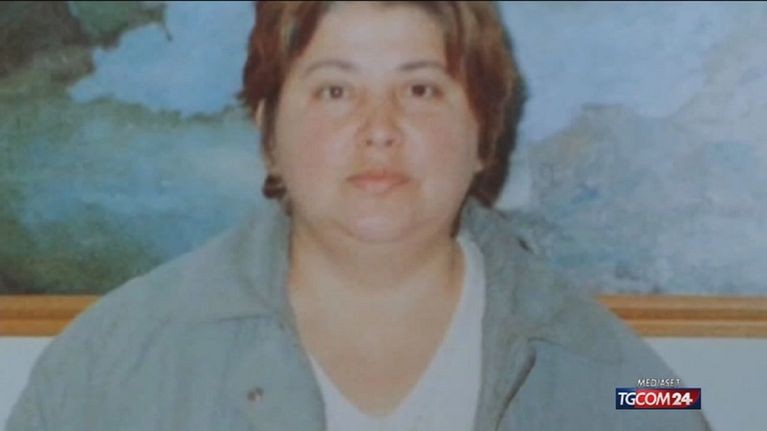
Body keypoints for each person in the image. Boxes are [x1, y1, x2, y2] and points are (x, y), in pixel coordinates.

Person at [7, 1, 711, 430]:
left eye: (421, 89)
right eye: (335, 91)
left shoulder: (631, 385)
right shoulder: (102, 366)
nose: (380, 129)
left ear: (483, 134)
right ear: (267, 130)